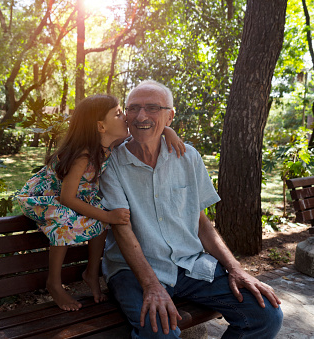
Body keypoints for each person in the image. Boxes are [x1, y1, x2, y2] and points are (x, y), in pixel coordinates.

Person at [99, 80, 283, 338]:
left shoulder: (188, 157)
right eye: (133, 108)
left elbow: (201, 223)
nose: (141, 115)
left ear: (170, 116)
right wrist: (151, 285)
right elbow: (122, 230)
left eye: (152, 108)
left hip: (189, 265)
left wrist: (236, 268)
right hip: (134, 270)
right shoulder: (112, 163)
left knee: (265, 315)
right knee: (159, 332)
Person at [16, 94, 185, 311]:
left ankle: (91, 273)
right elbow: (66, 198)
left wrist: (168, 131)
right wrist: (108, 216)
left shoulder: (110, 145)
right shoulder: (83, 155)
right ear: (101, 126)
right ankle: (54, 284)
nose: (124, 116)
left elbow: (144, 134)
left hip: (76, 198)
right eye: (117, 113)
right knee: (66, 219)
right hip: (47, 198)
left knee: (101, 216)